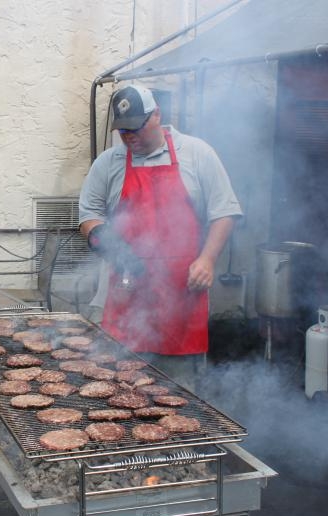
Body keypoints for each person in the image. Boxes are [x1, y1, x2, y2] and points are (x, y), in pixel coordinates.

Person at [78, 84, 242, 390]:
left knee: (180, 398)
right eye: (123, 131)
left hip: (182, 300)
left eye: (136, 129)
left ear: (157, 115)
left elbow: (225, 211)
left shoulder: (196, 153)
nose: (130, 138)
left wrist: (207, 259)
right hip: (125, 298)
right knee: (119, 393)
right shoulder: (110, 163)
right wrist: (109, 245)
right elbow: (88, 214)